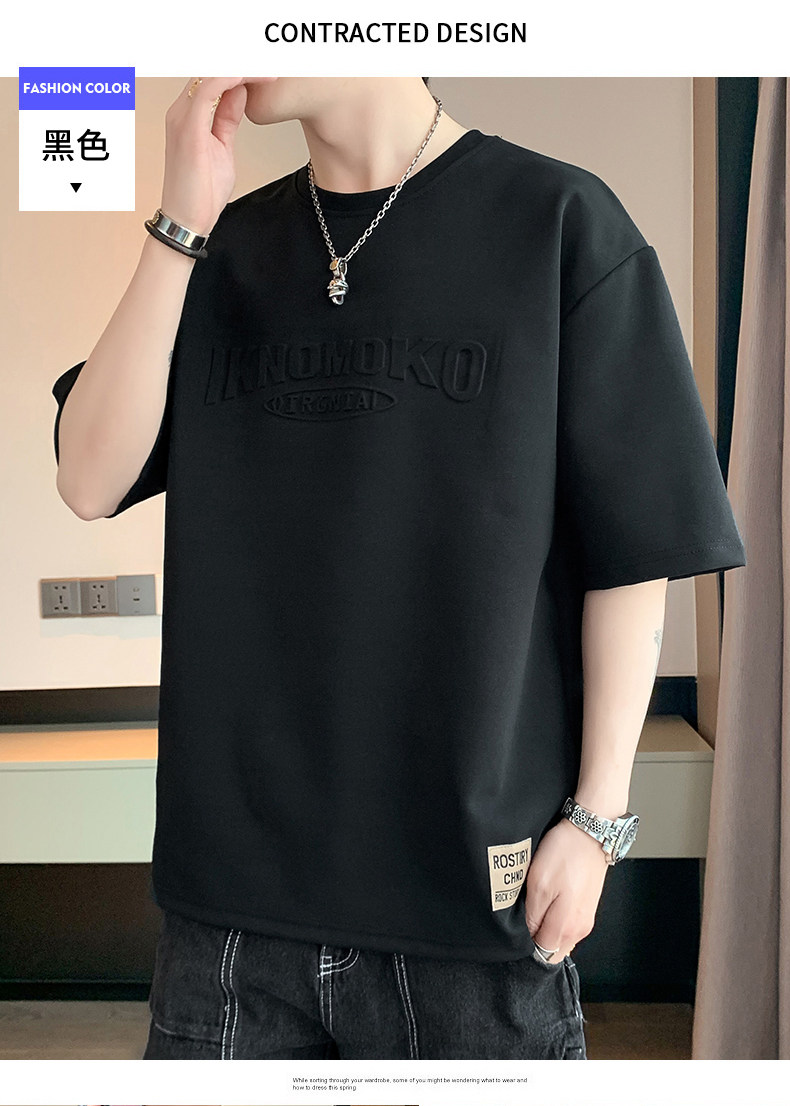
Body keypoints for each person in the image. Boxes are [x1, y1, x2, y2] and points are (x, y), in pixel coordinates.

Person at [52, 77, 747, 1060]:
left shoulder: (558, 222)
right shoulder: (221, 247)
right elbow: (88, 479)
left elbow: (633, 551)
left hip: (473, 912)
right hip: (230, 924)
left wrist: (597, 820)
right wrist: (177, 226)